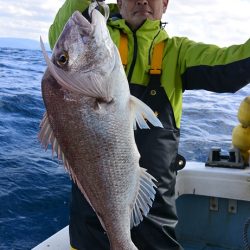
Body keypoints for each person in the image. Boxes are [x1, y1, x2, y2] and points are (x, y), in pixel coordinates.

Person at [48, 0, 250, 249]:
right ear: (119, 2)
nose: (143, 0)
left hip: (155, 213)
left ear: (165, 4)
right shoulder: (96, 37)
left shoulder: (178, 52)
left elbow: (230, 69)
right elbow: (64, 33)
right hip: (89, 220)